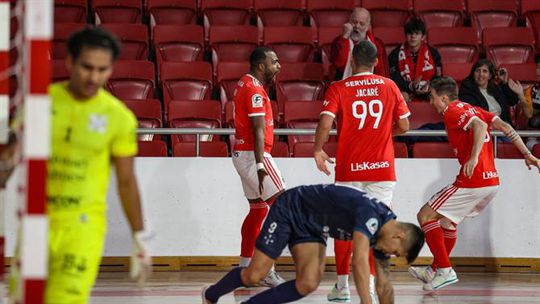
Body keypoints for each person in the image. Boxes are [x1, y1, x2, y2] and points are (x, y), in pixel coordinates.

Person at [9, 28, 152, 303]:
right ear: (70, 62)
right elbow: (10, 158)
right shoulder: (41, 103)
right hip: (37, 221)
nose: (94, 77)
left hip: (83, 226)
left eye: (102, 69)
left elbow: (126, 180)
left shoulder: (118, 117)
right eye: (87, 67)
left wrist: (140, 236)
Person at [409, 77, 540, 291]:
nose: (431, 102)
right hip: (491, 181)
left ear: (444, 97)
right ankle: (435, 270)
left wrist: (473, 157)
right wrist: (527, 154)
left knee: (425, 216)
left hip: (474, 179)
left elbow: (479, 127)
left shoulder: (452, 110)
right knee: (447, 223)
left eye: (432, 98)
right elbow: (505, 126)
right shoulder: (473, 108)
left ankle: (444, 269)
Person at [202, 183, 425, 304]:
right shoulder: (371, 216)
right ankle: (210, 295)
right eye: (396, 253)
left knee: (307, 283)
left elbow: (384, 284)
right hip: (291, 208)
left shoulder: (384, 236)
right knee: (254, 275)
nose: (390, 254)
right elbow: (358, 263)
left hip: (313, 227)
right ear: (399, 236)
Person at [314, 40, 410, 302]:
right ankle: (367, 285)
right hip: (382, 170)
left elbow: (325, 122)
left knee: (344, 228)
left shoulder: (339, 88)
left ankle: (343, 285)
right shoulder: (389, 86)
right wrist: (382, 134)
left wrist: (318, 149)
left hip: (349, 170)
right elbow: (404, 124)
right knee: (375, 229)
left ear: (352, 61)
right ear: (377, 62)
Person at [231, 47, 285, 286]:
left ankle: (244, 268)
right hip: (255, 156)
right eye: (274, 62)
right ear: (261, 66)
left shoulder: (245, 83)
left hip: (242, 154)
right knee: (282, 207)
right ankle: (266, 270)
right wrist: (261, 162)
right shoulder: (254, 90)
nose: (279, 66)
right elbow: (258, 129)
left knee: (258, 211)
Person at [459, 58, 527, 126]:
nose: (481, 74)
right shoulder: (466, 90)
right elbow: (476, 114)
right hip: (484, 129)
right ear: (473, 74)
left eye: (485, 71)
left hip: (503, 128)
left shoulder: (495, 89)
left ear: (490, 76)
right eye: (477, 71)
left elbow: (512, 101)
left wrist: (504, 82)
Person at [388, 18, 442, 102]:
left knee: (438, 94)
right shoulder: (395, 54)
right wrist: (410, 85)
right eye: (410, 33)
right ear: (405, 35)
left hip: (428, 90)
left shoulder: (433, 53)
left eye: (417, 33)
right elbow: (394, 80)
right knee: (402, 96)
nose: (413, 37)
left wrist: (428, 87)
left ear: (423, 36)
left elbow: (438, 77)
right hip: (406, 91)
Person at [331, 7, 388, 79]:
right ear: (349, 22)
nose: (357, 26)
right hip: (344, 83)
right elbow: (339, 64)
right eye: (354, 22)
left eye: (362, 24)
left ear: (368, 27)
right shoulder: (339, 41)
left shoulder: (377, 44)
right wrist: (345, 37)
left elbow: (382, 72)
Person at [521, 54, 540, 149]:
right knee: (533, 146)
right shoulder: (530, 90)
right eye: (539, 68)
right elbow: (528, 114)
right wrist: (521, 95)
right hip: (534, 135)